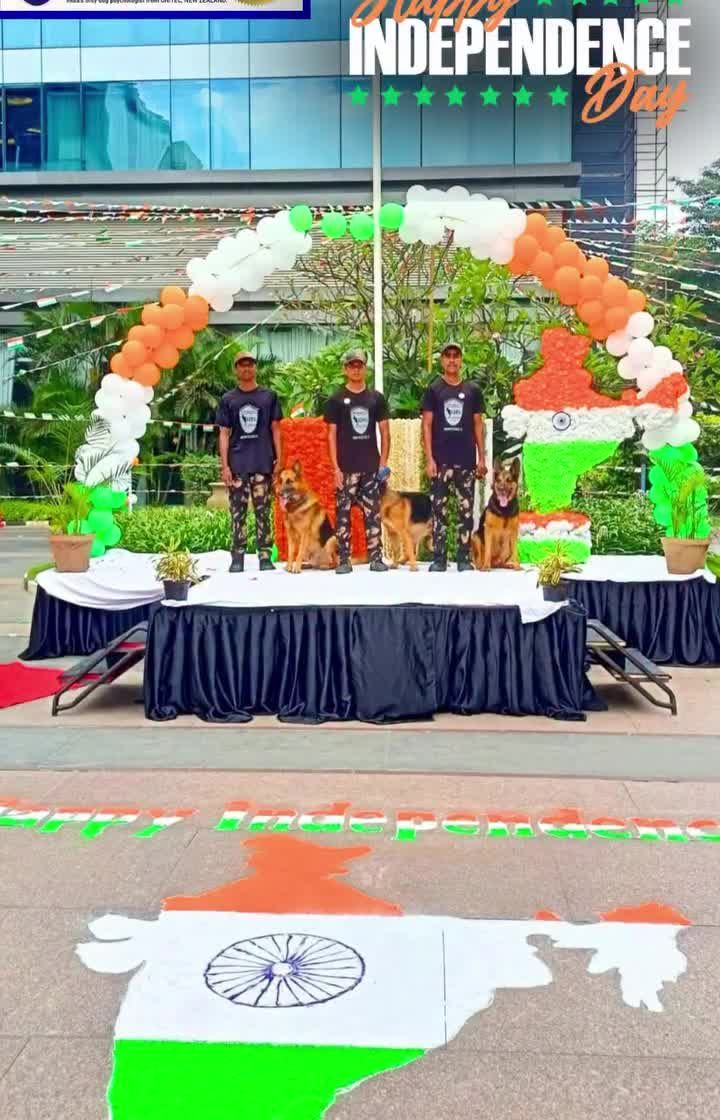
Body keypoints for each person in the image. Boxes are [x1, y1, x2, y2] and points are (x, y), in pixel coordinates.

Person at [421, 341, 487, 572]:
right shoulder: (434, 390)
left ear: (461, 360)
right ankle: (439, 558)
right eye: (447, 355)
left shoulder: (472, 391)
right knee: (439, 511)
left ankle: (463, 558)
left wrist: (481, 458)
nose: (452, 360)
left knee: (465, 511)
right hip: (440, 461)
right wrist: (429, 459)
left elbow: (478, 425)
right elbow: (426, 425)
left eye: (455, 356)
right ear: (442, 360)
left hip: (466, 460)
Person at [324, 348, 390, 575]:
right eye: (351, 365)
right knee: (343, 515)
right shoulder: (335, 399)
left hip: (370, 467)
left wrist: (383, 463)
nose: (356, 369)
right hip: (346, 468)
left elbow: (385, 432)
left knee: (373, 515)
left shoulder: (375, 399)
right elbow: (331, 435)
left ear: (365, 368)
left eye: (359, 365)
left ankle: (376, 558)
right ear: (345, 369)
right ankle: (344, 559)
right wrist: (335, 468)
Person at [217, 350, 282, 573]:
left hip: (263, 462)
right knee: (238, 513)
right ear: (236, 369)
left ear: (255, 368)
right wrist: (225, 466)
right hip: (237, 465)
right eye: (242, 365)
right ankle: (237, 557)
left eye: (250, 364)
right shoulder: (228, 399)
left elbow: (276, 429)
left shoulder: (269, 397)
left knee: (263, 512)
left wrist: (280, 459)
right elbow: (224, 434)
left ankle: (265, 555)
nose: (246, 368)